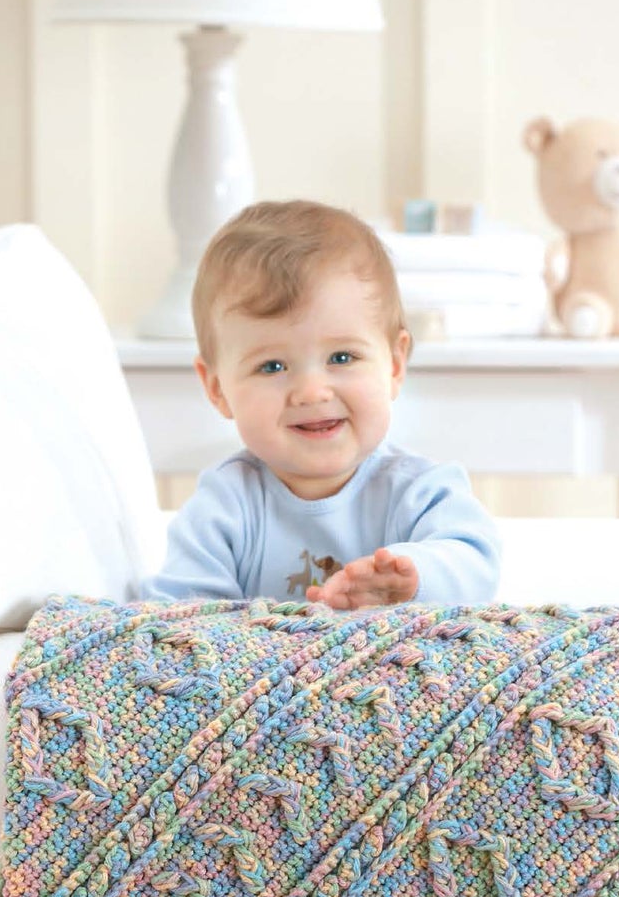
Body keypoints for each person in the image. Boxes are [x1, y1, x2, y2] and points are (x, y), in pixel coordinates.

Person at [147, 200, 501, 611]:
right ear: (217, 389)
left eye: (342, 358)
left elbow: (477, 565)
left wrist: (413, 577)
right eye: (272, 366)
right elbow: (177, 621)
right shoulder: (225, 507)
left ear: (395, 364)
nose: (312, 392)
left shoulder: (418, 492)